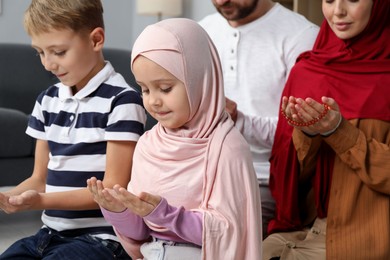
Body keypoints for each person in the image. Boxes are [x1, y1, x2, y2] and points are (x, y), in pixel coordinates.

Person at [87, 18, 263, 259]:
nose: (153, 101)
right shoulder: (148, 145)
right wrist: (118, 211)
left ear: (199, 80)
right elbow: (140, 234)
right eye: (145, 89)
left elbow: (229, 234)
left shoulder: (227, 147)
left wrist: (167, 215)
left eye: (165, 88)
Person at [0, 0, 146, 259]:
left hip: (103, 239)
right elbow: (39, 180)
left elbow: (112, 189)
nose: (48, 64)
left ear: (96, 39)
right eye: (40, 52)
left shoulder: (122, 101)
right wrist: (9, 198)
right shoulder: (47, 100)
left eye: (58, 51)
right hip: (49, 234)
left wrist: (40, 202)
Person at [263, 0, 390, 259]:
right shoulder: (306, 72)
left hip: (369, 238)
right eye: (329, 0)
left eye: (353, 0)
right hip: (305, 230)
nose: (338, 11)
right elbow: (287, 183)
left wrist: (338, 132)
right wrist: (308, 135)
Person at [198, 0, 319, 237]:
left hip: (262, 180)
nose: (221, 1)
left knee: (217, 237)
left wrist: (239, 120)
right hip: (199, 173)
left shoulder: (302, 37)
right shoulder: (201, 31)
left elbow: (302, 136)